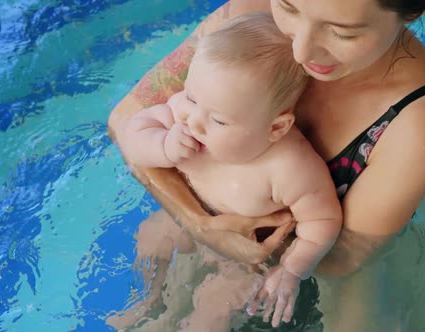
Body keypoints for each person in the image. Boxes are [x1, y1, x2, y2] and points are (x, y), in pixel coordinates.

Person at [107, 0, 425, 330]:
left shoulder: (420, 118)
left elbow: (342, 262)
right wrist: (200, 224)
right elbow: (125, 122)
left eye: (343, 32)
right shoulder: (249, 17)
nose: (301, 51)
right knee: (155, 253)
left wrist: (251, 255)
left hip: (301, 267)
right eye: (289, 7)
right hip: (215, 219)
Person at [110, 12, 342, 330]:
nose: (194, 121)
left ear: (276, 128)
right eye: (191, 96)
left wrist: (292, 269)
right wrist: (162, 144)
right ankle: (149, 304)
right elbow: (132, 134)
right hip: (191, 216)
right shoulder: (186, 114)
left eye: (219, 120)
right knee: (152, 238)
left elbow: (323, 221)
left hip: (246, 259)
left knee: (215, 306)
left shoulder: (289, 167)